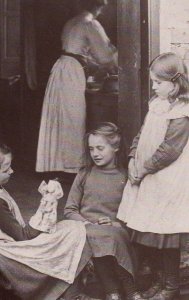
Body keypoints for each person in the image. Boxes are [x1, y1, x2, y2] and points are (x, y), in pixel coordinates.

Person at [117, 52, 189, 300]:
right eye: (153, 82)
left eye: (158, 82)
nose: (154, 86)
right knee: (151, 231)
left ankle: (171, 287)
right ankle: (158, 281)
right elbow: (142, 133)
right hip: (149, 177)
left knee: (165, 233)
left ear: (176, 83)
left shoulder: (182, 112)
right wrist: (131, 159)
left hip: (168, 181)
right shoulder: (157, 105)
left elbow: (169, 150)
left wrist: (144, 169)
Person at [36, 0, 117, 176]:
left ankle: (57, 164)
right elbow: (105, 56)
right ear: (99, 7)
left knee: (60, 118)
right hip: (71, 72)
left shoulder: (72, 22)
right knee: (74, 118)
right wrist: (114, 61)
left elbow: (82, 52)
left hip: (60, 68)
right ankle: (72, 167)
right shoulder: (90, 23)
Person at [0, 144, 90, 300]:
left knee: (70, 228)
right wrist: (47, 203)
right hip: (10, 250)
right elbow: (24, 236)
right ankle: (70, 294)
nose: (11, 171)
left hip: (13, 242)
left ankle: (72, 293)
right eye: (6, 169)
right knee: (72, 233)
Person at [64, 122, 139, 300]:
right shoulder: (84, 173)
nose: (95, 153)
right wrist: (86, 223)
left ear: (115, 147)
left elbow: (133, 214)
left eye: (100, 148)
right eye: (91, 149)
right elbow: (69, 209)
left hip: (115, 231)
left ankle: (117, 292)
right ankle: (125, 292)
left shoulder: (125, 177)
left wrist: (115, 223)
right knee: (97, 236)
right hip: (85, 229)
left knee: (109, 236)